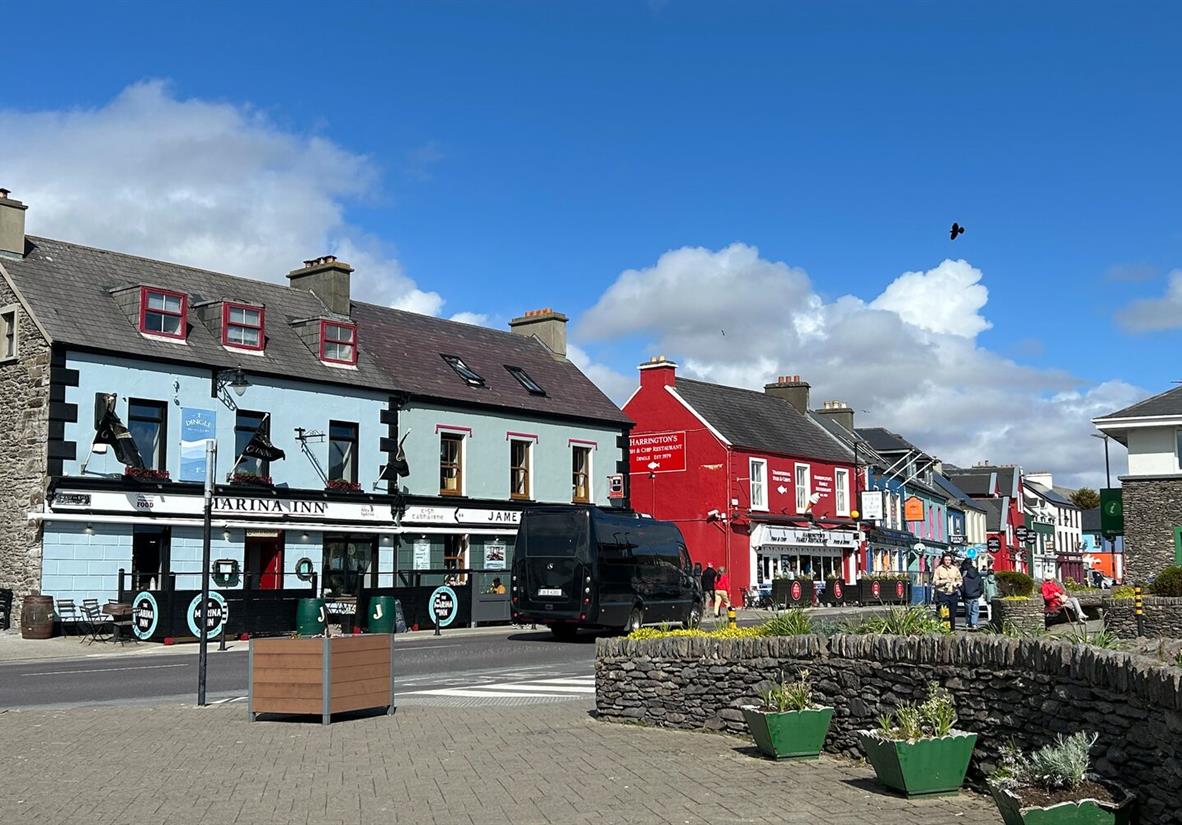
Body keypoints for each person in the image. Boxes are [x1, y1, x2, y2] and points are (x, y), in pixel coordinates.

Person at [931, 553, 963, 630]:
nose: (947, 561)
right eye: (946, 560)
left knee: (953, 613)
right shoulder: (939, 569)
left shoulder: (955, 569)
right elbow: (934, 581)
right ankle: (944, 629)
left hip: (953, 593)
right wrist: (944, 581)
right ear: (943, 560)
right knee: (943, 613)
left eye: (949, 560)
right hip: (942, 593)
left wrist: (958, 584)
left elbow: (960, 579)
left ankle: (952, 630)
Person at [960, 560, 984, 630]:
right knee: (975, 610)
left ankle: (968, 623)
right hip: (975, 595)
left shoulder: (965, 575)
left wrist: (963, 592)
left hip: (967, 595)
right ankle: (974, 624)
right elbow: (981, 585)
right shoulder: (977, 574)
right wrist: (979, 593)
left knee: (968, 610)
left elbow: (962, 586)